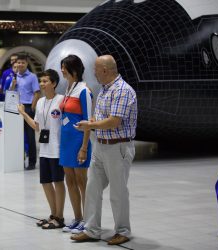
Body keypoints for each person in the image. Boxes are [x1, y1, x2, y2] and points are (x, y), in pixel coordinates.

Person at [71, 55, 137, 245]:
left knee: (118, 192)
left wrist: (91, 125)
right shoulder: (104, 90)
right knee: (92, 189)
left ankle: (123, 231)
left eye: (96, 70)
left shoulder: (122, 90)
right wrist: (90, 125)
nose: (94, 73)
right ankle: (92, 230)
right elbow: (99, 119)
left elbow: (114, 121)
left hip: (118, 147)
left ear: (105, 71)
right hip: (100, 146)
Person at [18, 69, 66, 229]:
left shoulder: (62, 100)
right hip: (44, 149)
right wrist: (24, 114)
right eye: (41, 81)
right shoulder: (39, 102)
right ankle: (53, 215)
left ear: (54, 83)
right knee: (46, 182)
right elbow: (37, 127)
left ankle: (60, 217)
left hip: (57, 149)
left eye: (45, 81)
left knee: (58, 182)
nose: (42, 84)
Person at [59, 55, 93, 234]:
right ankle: (78, 218)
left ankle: (88, 220)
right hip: (66, 141)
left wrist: (84, 147)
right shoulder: (68, 88)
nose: (62, 70)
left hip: (79, 141)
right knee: (69, 180)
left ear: (74, 69)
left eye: (64, 67)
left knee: (82, 181)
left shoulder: (83, 91)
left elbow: (88, 121)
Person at [9, 54, 41, 170]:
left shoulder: (32, 77)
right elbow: (10, 93)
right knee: (17, 136)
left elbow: (37, 93)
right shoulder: (14, 77)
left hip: (28, 108)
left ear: (27, 64)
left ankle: (32, 162)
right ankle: (19, 161)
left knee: (30, 136)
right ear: (15, 64)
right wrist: (13, 85)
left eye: (23, 62)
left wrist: (32, 107)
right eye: (19, 63)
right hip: (17, 108)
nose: (20, 65)